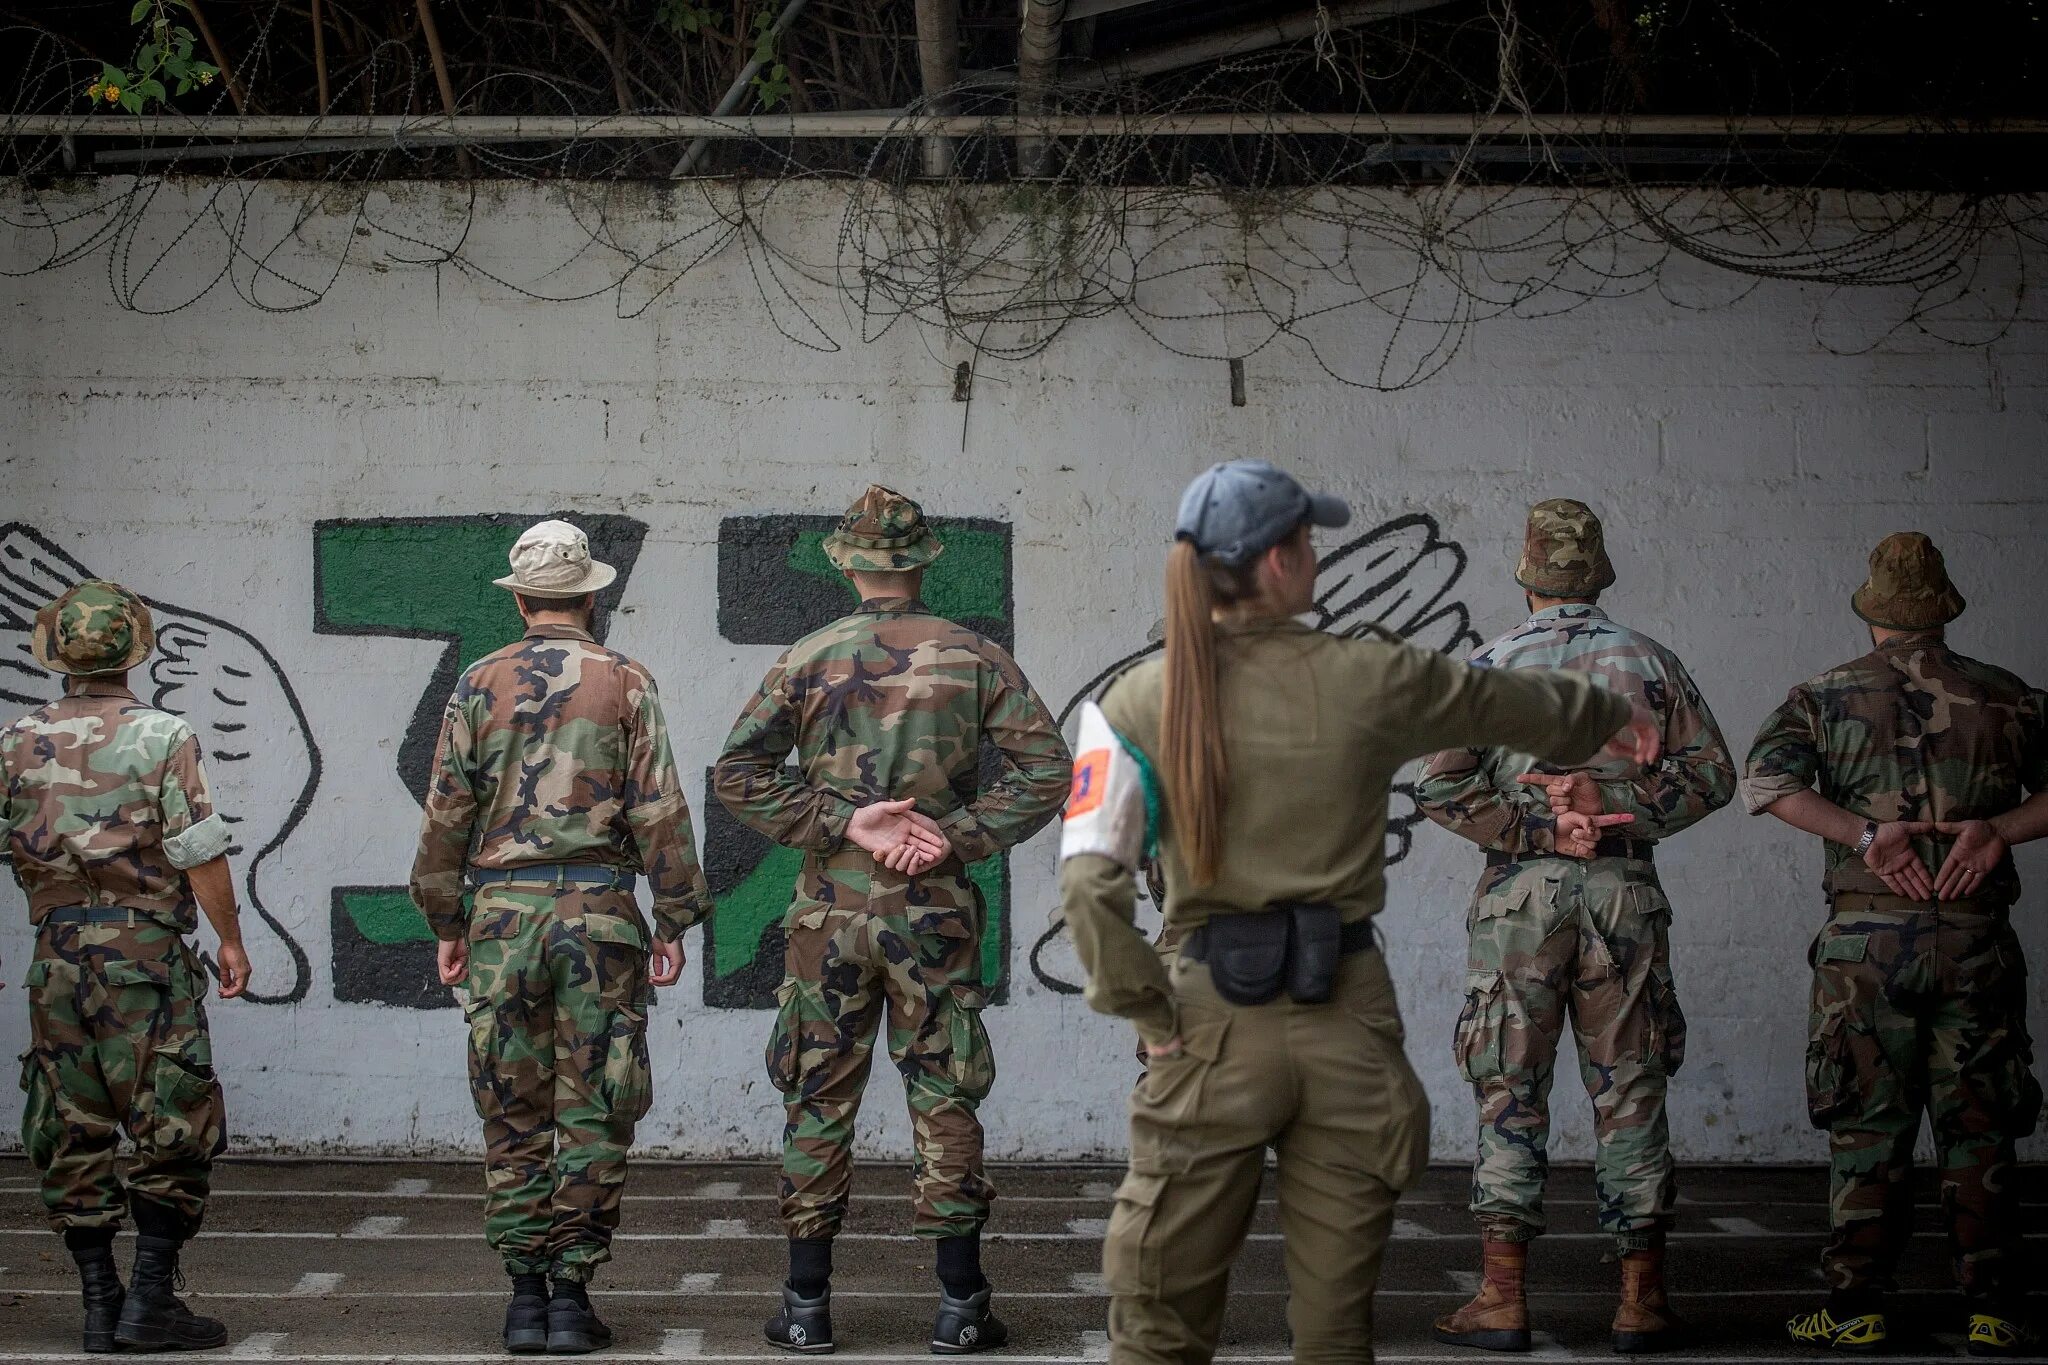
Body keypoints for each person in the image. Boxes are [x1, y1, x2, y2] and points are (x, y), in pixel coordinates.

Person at [1059, 461, 1659, 1365]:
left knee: (1158, 1325)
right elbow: (1519, 705)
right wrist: (1606, 712)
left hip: (1209, 1025)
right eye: (1306, 542)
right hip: (1348, 1020)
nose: (1314, 557)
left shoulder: (1135, 700)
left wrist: (1149, 1013)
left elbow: (1087, 888)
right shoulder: (1371, 674)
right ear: (1275, 562)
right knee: (1337, 1330)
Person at [713, 485, 1072, 1355]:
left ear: (845, 561)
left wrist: (841, 821)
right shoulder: (973, 654)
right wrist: (952, 835)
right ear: (923, 563)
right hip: (933, 910)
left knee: (816, 1093)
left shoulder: (806, 657)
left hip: (829, 913)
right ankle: (961, 1305)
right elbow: (1047, 771)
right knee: (944, 1089)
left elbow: (739, 775)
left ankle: (805, 1306)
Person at [1416, 498, 1733, 1354]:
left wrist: (1536, 825)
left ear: (1528, 578)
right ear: (1597, 574)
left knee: (1509, 1090)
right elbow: (1714, 779)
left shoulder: (1490, 664)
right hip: (1623, 895)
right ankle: (1640, 1300)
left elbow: (1439, 789)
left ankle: (1502, 1296)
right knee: (1630, 1090)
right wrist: (1617, 806)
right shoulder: (1650, 661)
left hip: (1521, 904)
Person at [411, 519, 712, 1355]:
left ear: (521, 602)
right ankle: (572, 1297)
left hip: (501, 917)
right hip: (601, 914)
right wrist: (677, 913)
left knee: (511, 1105)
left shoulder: (479, 681)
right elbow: (660, 806)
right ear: (590, 595)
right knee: (597, 1098)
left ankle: (522, 1298)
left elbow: (447, 811)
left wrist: (446, 919)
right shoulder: (625, 680)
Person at [1744, 532, 2047, 1358]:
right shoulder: (2010, 697)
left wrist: (1867, 831)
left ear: (1870, 610)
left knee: (1866, 1120)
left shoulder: (1824, 695)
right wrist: (1999, 832)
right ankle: (1993, 1307)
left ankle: (1856, 1308)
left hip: (1865, 951)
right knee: (1979, 1122)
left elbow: (1764, 783)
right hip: (1977, 940)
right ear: (1944, 610)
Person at [3, 580, 249, 1353]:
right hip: (143, 952)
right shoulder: (162, 734)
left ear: (58, 654)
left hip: (57, 956)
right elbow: (196, 851)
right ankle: (149, 1295)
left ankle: (98, 1298)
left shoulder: (16, 739)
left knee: (70, 1123)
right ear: (135, 650)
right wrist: (232, 938)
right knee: (172, 1116)